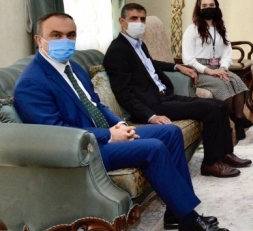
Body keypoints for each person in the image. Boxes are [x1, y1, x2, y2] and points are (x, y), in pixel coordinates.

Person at [13, 12, 227, 231]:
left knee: (170, 132)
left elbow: (97, 105)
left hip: (103, 135)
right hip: (85, 149)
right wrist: (109, 135)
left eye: (71, 35)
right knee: (153, 148)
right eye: (56, 35)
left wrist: (121, 125)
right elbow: (58, 135)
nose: (65, 41)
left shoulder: (73, 67)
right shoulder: (31, 83)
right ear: (39, 39)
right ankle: (189, 220)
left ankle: (176, 213)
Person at [103, 3, 251, 181]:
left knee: (219, 105)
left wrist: (176, 66)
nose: (139, 23)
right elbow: (123, 93)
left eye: (142, 19)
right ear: (122, 21)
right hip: (153, 105)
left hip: (165, 96)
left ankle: (225, 154)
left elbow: (150, 64)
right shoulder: (117, 51)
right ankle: (210, 164)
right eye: (133, 18)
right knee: (210, 109)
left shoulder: (138, 45)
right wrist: (150, 116)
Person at [182, 0, 252, 140]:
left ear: (216, 7)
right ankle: (230, 120)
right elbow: (188, 59)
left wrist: (223, 68)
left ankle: (239, 121)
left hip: (218, 67)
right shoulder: (192, 30)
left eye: (211, 5)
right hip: (199, 71)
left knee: (237, 82)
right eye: (204, 6)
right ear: (199, 8)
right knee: (223, 86)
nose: (208, 8)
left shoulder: (220, 28)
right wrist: (209, 71)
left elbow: (227, 52)